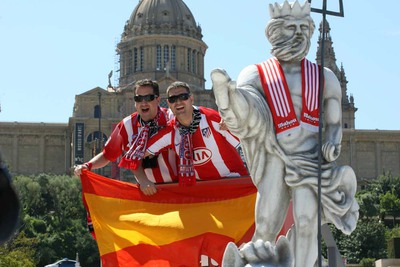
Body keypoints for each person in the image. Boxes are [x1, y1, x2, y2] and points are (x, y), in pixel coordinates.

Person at [210, 1, 359, 266]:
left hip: (311, 158)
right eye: (291, 28)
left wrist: (333, 142)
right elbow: (251, 113)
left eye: (304, 28)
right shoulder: (255, 73)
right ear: (275, 32)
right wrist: (231, 99)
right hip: (274, 155)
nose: (299, 34)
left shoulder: (325, 77)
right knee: (267, 222)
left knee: (306, 223)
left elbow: (335, 123)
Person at [132, 81, 248, 188]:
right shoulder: (170, 131)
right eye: (173, 99)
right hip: (202, 192)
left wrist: (236, 124)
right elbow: (135, 156)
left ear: (191, 98)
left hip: (233, 184)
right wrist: (143, 181)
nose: (178, 102)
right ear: (168, 104)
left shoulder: (213, 118)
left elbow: (248, 140)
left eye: (183, 97)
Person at [74, 79, 176, 196]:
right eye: (138, 99)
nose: (143, 103)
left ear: (158, 100)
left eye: (148, 98)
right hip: (147, 192)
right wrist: (87, 165)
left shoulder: (172, 119)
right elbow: (108, 154)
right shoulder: (127, 125)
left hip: (176, 188)